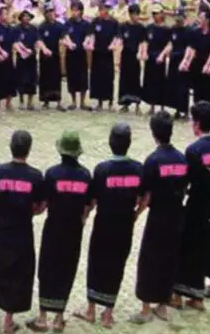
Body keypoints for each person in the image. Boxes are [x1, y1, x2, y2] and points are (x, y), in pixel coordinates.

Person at [0, 130, 45, 334]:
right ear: (29, 150)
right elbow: (38, 207)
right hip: (22, 231)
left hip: (2, 229)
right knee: (18, 274)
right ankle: (8, 322)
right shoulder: (36, 176)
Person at [80, 123, 142, 327]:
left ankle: (90, 309)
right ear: (129, 143)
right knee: (117, 265)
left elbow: (93, 201)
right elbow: (145, 196)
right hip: (125, 225)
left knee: (97, 263)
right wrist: (136, 213)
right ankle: (108, 313)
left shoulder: (102, 169)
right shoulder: (137, 169)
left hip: (104, 224)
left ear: (110, 143)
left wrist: (84, 218)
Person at [30, 130, 91, 332]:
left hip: (53, 228)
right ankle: (59, 318)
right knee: (67, 269)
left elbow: (43, 204)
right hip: (73, 230)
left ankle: (42, 317)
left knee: (47, 269)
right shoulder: (85, 175)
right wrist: (83, 219)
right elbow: (87, 206)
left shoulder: (52, 174)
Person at [173, 101, 210, 309]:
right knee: (205, 247)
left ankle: (178, 295)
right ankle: (197, 296)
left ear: (196, 124)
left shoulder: (193, 150)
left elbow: (186, 180)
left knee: (187, 248)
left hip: (195, 203)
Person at [133, 111, 188, 323]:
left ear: (153, 133)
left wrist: (136, 215)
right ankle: (163, 305)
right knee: (169, 258)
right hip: (176, 216)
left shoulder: (153, 160)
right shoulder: (182, 159)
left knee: (149, 260)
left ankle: (146, 308)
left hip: (158, 217)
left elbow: (146, 197)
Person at [37, 2, 65, 111]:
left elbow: (63, 37)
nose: (50, 14)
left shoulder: (60, 26)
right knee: (45, 78)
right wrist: (44, 49)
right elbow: (39, 39)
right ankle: (46, 101)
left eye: (52, 11)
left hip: (56, 56)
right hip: (45, 57)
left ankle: (58, 102)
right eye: (48, 12)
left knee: (56, 78)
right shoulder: (42, 27)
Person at [63, 1, 91, 111]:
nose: (75, 12)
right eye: (73, 10)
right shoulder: (68, 23)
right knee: (72, 77)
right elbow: (65, 35)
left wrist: (85, 42)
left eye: (77, 10)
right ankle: (73, 102)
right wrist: (69, 43)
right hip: (71, 54)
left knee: (83, 77)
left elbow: (88, 36)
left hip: (82, 54)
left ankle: (83, 102)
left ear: (81, 11)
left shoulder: (86, 24)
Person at [144, 5, 170, 114]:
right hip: (150, 58)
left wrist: (162, 55)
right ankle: (151, 106)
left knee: (161, 82)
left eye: (157, 13)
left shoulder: (166, 29)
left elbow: (169, 44)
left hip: (160, 58)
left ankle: (162, 107)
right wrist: (144, 52)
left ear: (162, 14)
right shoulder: (149, 27)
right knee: (150, 82)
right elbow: (145, 41)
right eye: (153, 13)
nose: (155, 16)